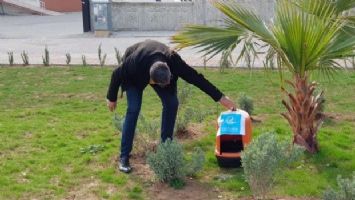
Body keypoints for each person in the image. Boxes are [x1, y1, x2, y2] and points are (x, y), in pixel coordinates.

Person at [106, 40, 236, 173]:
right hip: (135, 74)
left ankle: (165, 148)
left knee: (172, 103)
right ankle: (124, 157)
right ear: (152, 81)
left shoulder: (173, 61)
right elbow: (116, 74)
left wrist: (221, 98)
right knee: (133, 108)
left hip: (159, 70)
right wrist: (112, 97)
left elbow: (196, 78)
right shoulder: (135, 61)